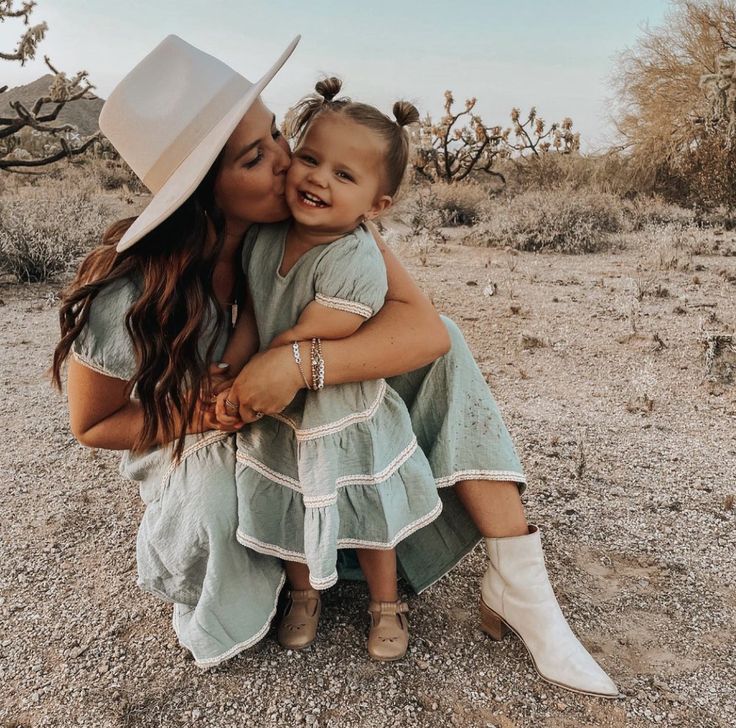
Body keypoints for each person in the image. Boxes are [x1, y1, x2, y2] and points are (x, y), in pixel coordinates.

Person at [51, 35, 618, 697]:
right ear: (205, 189)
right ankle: (316, 561)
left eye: (276, 137)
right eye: (257, 156)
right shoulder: (132, 287)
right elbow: (94, 425)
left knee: (446, 347)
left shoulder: (311, 224)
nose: (290, 164)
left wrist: (297, 363)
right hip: (200, 435)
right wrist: (211, 407)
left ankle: (520, 583)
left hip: (293, 405)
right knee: (215, 509)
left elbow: (425, 331)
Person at [215, 78, 441, 660]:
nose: (318, 178)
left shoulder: (356, 259)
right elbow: (253, 316)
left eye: (344, 175)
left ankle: (385, 603)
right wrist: (233, 368)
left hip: (338, 408)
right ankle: (302, 594)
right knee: (286, 499)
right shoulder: (264, 238)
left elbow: (303, 336)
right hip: (281, 409)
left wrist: (253, 382)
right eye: (310, 159)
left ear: (377, 204)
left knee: (366, 505)